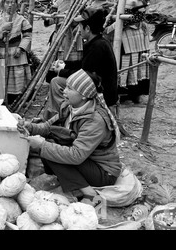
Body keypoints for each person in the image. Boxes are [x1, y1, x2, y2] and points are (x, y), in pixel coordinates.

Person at [18, 69, 122, 203]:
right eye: (66, 86)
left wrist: (42, 145)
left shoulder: (95, 120)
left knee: (49, 149)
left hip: (103, 172)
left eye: (70, 88)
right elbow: (49, 127)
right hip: (86, 161)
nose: (64, 91)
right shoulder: (69, 107)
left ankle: (89, 194)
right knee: (51, 146)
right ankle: (74, 183)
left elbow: (76, 155)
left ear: (84, 95)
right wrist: (30, 127)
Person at [43, 7, 118, 120]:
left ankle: (62, 116)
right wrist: (65, 64)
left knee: (56, 82)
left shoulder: (97, 47)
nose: (79, 29)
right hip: (95, 84)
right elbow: (83, 64)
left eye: (80, 26)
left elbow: (85, 74)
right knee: (57, 79)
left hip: (101, 92)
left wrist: (61, 71)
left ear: (87, 28)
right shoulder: (97, 42)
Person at [105, 0, 151, 104]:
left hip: (132, 34)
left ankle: (133, 93)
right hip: (127, 34)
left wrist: (115, 25)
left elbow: (137, 18)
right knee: (127, 62)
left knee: (131, 62)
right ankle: (128, 93)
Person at [0, 0, 33, 104]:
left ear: (17, 4)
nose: (10, 5)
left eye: (13, 2)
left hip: (16, 53)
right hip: (1, 53)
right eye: (7, 2)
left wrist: (20, 48)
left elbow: (27, 36)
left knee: (17, 77)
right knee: (2, 76)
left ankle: (16, 99)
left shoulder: (22, 20)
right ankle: (1, 100)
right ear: (3, 4)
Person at [44, 0, 83, 82]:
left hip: (74, 36)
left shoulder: (80, 3)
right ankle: (57, 79)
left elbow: (81, 19)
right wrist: (50, 18)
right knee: (59, 59)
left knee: (72, 60)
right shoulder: (59, 2)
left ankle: (72, 79)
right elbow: (51, 20)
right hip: (60, 36)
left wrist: (70, 17)